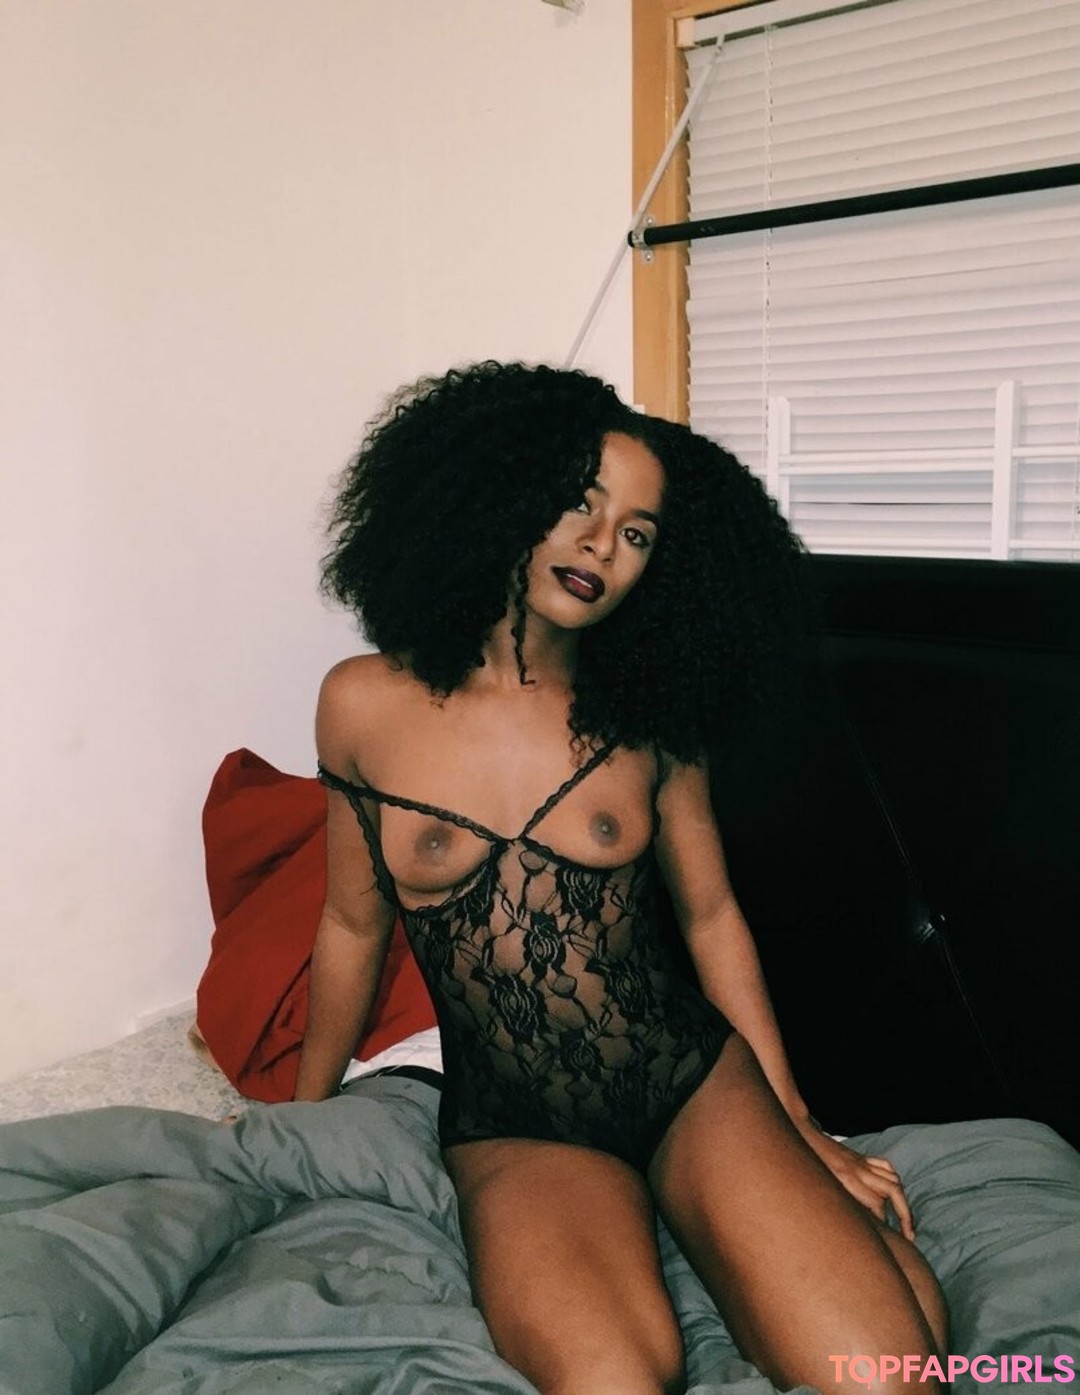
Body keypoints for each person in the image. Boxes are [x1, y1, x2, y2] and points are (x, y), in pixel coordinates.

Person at [295, 361, 949, 1395]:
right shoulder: (359, 704)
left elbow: (712, 915)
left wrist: (797, 1122)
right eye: (581, 503)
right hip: (515, 1124)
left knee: (887, 1377)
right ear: (501, 495)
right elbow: (348, 926)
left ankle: (809, 1235)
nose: (604, 545)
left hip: (685, 1081)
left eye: (639, 533)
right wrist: (302, 1116)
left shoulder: (649, 713)